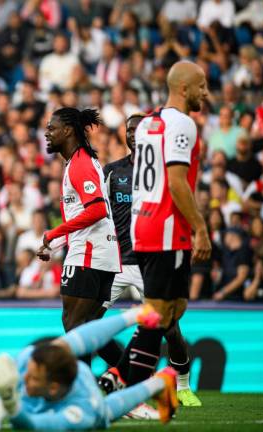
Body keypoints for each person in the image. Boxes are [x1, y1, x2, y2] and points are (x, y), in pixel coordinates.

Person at [115, 60, 211, 401]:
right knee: (159, 314)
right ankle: (123, 387)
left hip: (144, 227)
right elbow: (175, 181)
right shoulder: (182, 124)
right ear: (183, 89)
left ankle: (121, 382)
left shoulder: (146, 126)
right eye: (201, 86)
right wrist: (200, 228)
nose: (206, 92)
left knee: (169, 312)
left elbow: (146, 183)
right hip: (168, 229)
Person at [98, 114, 203, 412]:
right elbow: (100, 215)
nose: (133, 134)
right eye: (128, 130)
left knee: (170, 329)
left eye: (137, 129)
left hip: (149, 260)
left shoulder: (164, 171)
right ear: (125, 136)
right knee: (86, 325)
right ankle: (124, 372)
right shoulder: (112, 171)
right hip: (117, 263)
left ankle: (182, 385)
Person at [0, 306, 178, 431]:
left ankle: (160, 382)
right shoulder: (30, 359)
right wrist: (134, 316)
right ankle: (137, 313)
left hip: (88, 399)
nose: (24, 379)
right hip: (59, 371)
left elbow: (30, 425)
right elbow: (84, 336)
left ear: (52, 388)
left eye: (32, 378)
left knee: (106, 413)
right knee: (63, 344)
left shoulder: (82, 412)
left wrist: (6, 401)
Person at [36, 108, 121, 364]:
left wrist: (55, 232)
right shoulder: (78, 161)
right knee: (89, 329)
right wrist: (55, 242)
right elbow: (82, 215)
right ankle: (133, 378)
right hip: (99, 251)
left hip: (90, 252)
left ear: (68, 130)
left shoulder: (81, 162)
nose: (47, 133)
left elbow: (97, 210)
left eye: (51, 128)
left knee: (74, 325)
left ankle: (85, 393)